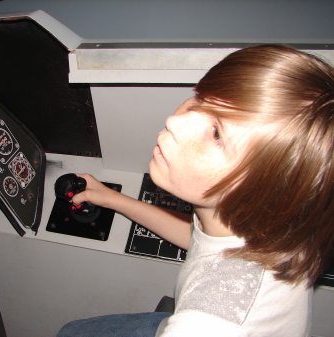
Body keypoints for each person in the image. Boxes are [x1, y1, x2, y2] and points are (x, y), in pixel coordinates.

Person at [56, 44, 334, 337]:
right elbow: (198, 239)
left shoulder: (208, 323)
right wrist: (112, 199)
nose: (174, 121)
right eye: (200, 100)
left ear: (258, 192)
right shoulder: (275, 225)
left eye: (217, 134)